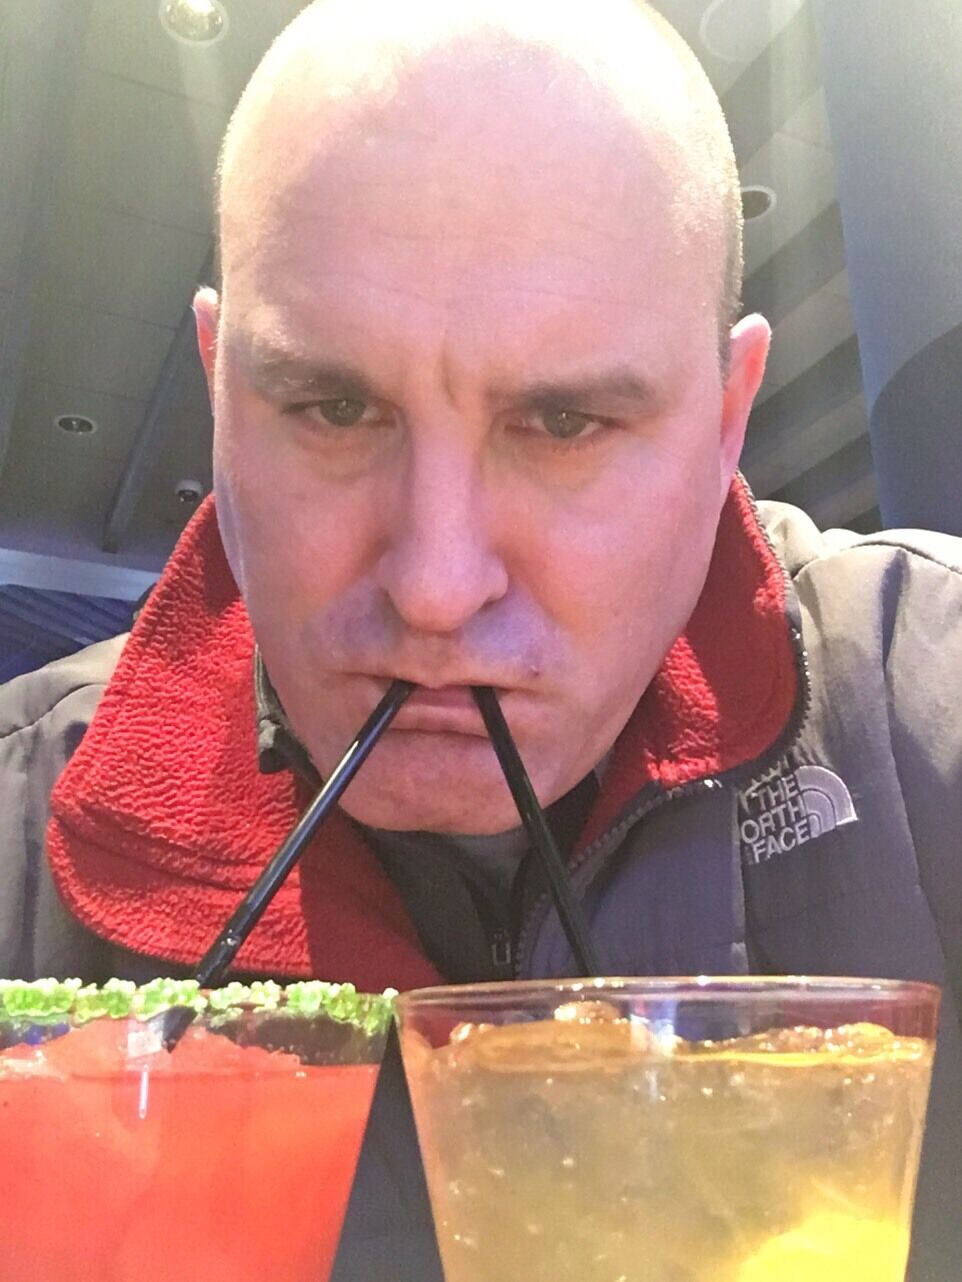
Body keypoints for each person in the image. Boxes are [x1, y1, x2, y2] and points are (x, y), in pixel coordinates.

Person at [1, 1, 960, 1278]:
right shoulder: (20, 824)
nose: (436, 587)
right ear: (221, 392)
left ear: (724, 419)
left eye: (561, 424)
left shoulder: (921, 700)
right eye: (333, 406)